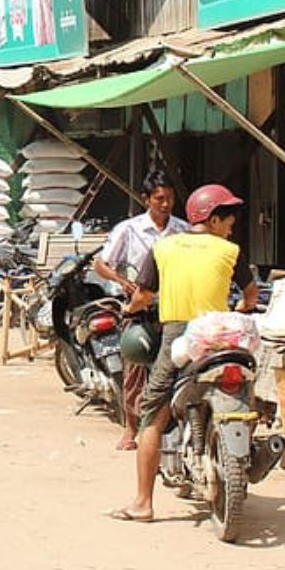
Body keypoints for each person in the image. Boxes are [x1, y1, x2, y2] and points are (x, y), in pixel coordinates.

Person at [111, 183, 258, 524]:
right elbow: (249, 298)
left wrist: (129, 310)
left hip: (179, 336)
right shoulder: (230, 251)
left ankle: (143, 503)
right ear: (213, 219)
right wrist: (236, 307)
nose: (233, 223)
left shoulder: (164, 248)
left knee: (152, 413)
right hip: (221, 334)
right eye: (229, 217)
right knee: (245, 386)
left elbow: (143, 296)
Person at [93, 171, 189, 450]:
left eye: (170, 198)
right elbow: (102, 264)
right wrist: (122, 282)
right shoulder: (128, 229)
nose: (165, 204)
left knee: (176, 364)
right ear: (146, 199)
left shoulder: (182, 230)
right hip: (139, 304)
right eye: (160, 198)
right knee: (134, 365)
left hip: (173, 306)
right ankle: (130, 428)